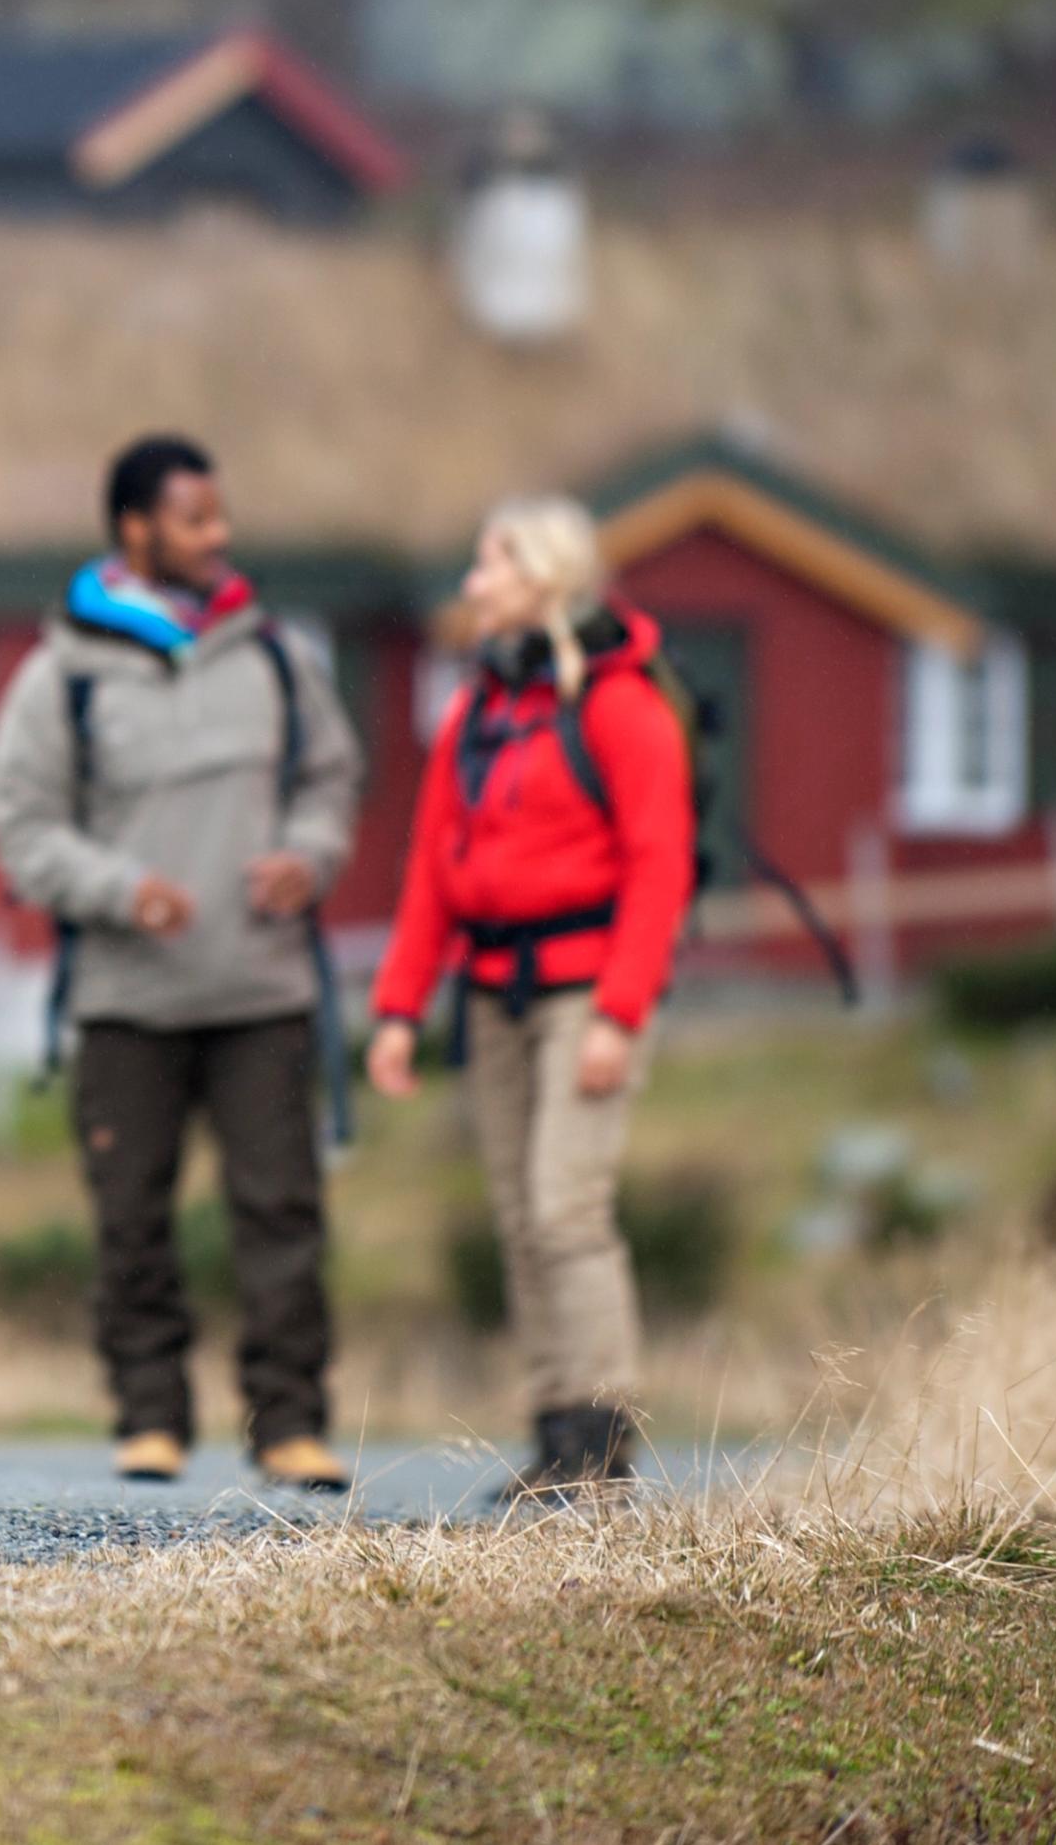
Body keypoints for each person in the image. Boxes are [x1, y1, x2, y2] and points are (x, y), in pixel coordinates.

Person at [0, 435, 364, 1492]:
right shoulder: (61, 677)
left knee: (282, 1213)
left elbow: (332, 778)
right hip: (125, 998)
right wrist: (118, 888)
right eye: (195, 517)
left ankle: (290, 1424)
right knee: (132, 1219)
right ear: (136, 529)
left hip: (263, 988)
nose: (219, 534)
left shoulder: (278, 655)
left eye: (219, 514)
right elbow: (22, 828)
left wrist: (313, 852)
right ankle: (150, 1416)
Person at [364, 494, 692, 1498]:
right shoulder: (477, 710)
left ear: (543, 580)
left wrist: (619, 1010)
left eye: (489, 566)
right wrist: (398, 1006)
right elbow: (433, 866)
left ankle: (603, 1442)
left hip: (585, 991)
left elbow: (660, 865)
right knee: (517, 1214)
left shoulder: (623, 708)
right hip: (492, 995)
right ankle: (558, 1437)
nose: (474, 584)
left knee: (566, 1207)